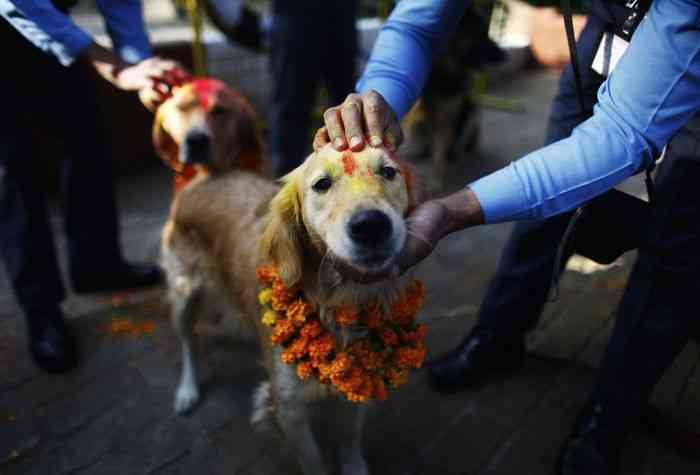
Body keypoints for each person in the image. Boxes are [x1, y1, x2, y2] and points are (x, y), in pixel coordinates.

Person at [313, 1, 700, 474]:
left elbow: (620, 133)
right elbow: (418, 21)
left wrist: (452, 212)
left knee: (676, 250)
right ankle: (499, 336)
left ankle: (611, 412)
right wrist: (378, 100)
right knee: (544, 207)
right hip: (606, 40)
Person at [0, 0, 188, 373]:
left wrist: (139, 67)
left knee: (86, 137)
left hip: (52, 20)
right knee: (13, 172)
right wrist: (111, 65)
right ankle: (42, 310)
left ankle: (96, 265)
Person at [205, 0, 359, 177]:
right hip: (297, 24)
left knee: (344, 104)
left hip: (331, 20)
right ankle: (285, 179)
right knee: (290, 108)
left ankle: (353, 168)